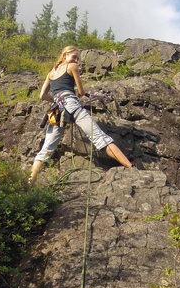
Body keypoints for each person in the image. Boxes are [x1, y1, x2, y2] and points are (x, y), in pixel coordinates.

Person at [29, 46, 132, 184]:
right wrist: (94, 96)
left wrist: (57, 100)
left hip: (57, 110)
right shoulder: (71, 67)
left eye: (78, 58)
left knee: (47, 148)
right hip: (71, 105)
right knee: (100, 138)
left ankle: (30, 181)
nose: (76, 60)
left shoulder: (51, 73)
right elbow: (81, 92)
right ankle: (131, 167)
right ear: (65, 55)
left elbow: (42, 95)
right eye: (74, 56)